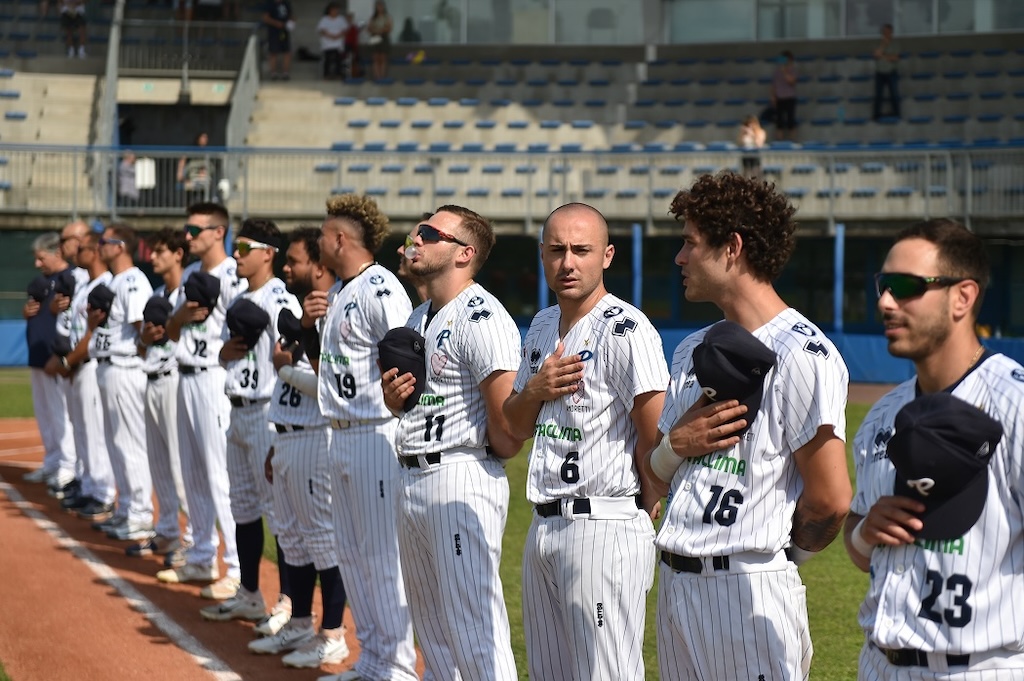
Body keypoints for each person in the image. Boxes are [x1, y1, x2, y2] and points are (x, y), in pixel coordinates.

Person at [644, 172, 852, 680]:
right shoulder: (691, 348)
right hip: (675, 582)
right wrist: (676, 445)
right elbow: (653, 474)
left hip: (748, 590)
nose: (680, 257)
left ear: (731, 248)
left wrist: (778, 560)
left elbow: (831, 498)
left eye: (691, 243)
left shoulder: (805, 353)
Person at [845, 219, 1024, 679]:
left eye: (905, 287)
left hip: (981, 667)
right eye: (883, 285)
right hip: (879, 663)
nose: (885, 302)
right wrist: (866, 532)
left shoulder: (1015, 406)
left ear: (962, 296)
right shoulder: (883, 416)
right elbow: (858, 542)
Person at [503, 203, 668, 680]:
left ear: (608, 255)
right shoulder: (539, 325)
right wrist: (535, 388)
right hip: (544, 524)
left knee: (607, 673)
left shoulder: (628, 328)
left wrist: (643, 501)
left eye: (581, 250)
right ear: (542, 255)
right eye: (556, 250)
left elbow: (653, 436)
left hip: (603, 523)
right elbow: (513, 424)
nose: (568, 262)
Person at [381, 205, 523, 681]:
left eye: (428, 233)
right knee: (435, 631)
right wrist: (395, 401)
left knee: (474, 628)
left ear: (464, 253)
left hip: (460, 475)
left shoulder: (482, 316)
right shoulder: (420, 314)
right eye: (416, 230)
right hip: (414, 473)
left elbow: (506, 427)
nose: (414, 239)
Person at [301, 195, 417, 681]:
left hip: (375, 433)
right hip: (341, 433)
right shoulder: (345, 290)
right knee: (351, 553)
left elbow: (407, 353)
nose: (319, 241)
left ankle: (398, 667)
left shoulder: (380, 287)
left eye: (325, 234)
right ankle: (372, 658)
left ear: (342, 239)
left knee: (379, 557)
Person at [198, 220, 300, 641]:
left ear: (267, 253)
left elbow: (293, 354)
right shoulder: (239, 297)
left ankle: (290, 603)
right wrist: (226, 350)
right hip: (236, 409)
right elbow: (222, 352)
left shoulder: (282, 299)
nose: (236, 253)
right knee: (243, 507)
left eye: (243, 246)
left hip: (265, 413)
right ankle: (251, 591)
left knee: (279, 514)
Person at [247, 227, 342, 656]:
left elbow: (332, 386)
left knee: (322, 540)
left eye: (296, 261)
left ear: (318, 266)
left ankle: (333, 635)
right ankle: (300, 623)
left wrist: (285, 370)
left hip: (315, 437)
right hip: (286, 432)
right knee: (290, 537)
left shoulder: (335, 312)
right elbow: (282, 361)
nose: (288, 268)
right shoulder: (304, 314)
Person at [158, 202, 247, 601]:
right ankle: (201, 555)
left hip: (214, 378)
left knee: (218, 473)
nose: (189, 236)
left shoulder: (235, 274)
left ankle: (237, 568)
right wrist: (180, 318)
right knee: (192, 469)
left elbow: (245, 333)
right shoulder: (193, 274)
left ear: (218, 232)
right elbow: (173, 330)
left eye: (195, 230)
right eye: (187, 229)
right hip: (185, 372)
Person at [127, 227, 192, 568]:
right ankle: (167, 529)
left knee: (182, 466)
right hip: (150, 377)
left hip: (175, 380)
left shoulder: (189, 293)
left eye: (160, 251)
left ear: (179, 254)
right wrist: (146, 339)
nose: (153, 257)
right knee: (159, 465)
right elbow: (142, 346)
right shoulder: (157, 293)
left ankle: (193, 540)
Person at [89, 224, 155, 543]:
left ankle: (141, 514)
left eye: (104, 241)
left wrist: (138, 354)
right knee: (116, 442)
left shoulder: (133, 280)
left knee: (130, 443)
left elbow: (142, 328)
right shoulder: (115, 280)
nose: (99, 246)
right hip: (108, 366)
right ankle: (126, 507)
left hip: (125, 366)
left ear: (120, 247)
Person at [46, 229, 116, 523]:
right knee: (82, 429)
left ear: (97, 251)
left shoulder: (106, 284)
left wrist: (67, 361)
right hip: (77, 366)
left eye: (85, 248)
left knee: (95, 431)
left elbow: (95, 332)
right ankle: (89, 485)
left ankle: (102, 492)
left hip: (90, 364)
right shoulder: (86, 284)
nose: (78, 253)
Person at [23, 233, 77, 496]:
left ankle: (68, 466)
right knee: (44, 414)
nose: (37, 264)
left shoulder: (71, 278)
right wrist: (26, 313)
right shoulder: (40, 283)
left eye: (41, 258)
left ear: (57, 253)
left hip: (56, 358)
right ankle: (52, 461)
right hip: (37, 357)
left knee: (61, 414)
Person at [176, 133, 213, 207]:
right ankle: (188, 207)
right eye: (203, 138)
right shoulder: (191, 150)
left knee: (204, 189)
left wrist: (204, 172)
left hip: (203, 178)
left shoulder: (207, 152)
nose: (205, 140)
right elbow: (183, 160)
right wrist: (180, 173)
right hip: (192, 177)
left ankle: (204, 207)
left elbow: (210, 166)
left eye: (206, 138)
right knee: (190, 190)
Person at [873, 23, 900, 120]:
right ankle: (876, 115)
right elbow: (876, 55)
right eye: (884, 32)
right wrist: (883, 45)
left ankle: (897, 113)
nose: (886, 34)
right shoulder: (878, 43)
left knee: (894, 94)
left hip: (891, 72)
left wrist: (883, 56)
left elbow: (895, 58)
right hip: (879, 72)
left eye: (888, 32)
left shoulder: (895, 44)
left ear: (891, 33)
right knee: (878, 95)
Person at [263, 0, 295, 80]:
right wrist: (276, 23)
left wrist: (291, 22)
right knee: (273, 52)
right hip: (274, 32)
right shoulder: (269, 4)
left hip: (284, 31)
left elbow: (290, 16)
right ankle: (273, 73)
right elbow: (266, 18)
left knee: (287, 52)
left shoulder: (286, 3)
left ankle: (285, 73)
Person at [770, 50, 798, 142]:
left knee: (791, 120)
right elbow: (774, 85)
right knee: (779, 121)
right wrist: (773, 96)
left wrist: (785, 72)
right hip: (779, 98)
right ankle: (779, 139)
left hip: (789, 98)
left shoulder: (793, 70)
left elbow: (792, 82)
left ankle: (792, 139)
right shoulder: (777, 72)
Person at [317, 2, 347, 80]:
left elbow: (345, 30)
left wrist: (338, 35)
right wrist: (330, 35)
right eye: (333, 10)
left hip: (338, 43)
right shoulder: (324, 19)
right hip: (327, 43)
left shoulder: (341, 19)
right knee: (328, 59)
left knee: (338, 60)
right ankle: (326, 75)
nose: (335, 11)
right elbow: (321, 30)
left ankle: (338, 74)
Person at [366, 0, 392, 81]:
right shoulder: (373, 18)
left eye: (381, 6)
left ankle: (382, 76)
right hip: (374, 37)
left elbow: (389, 28)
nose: (379, 8)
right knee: (375, 58)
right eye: (378, 6)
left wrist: (380, 30)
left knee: (383, 58)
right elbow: (369, 28)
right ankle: (377, 76)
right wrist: (375, 31)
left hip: (383, 37)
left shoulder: (387, 17)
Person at [342, 11, 362, 79]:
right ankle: (347, 74)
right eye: (348, 18)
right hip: (346, 45)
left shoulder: (354, 27)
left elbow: (355, 37)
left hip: (354, 45)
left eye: (350, 18)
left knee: (355, 60)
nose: (349, 19)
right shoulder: (343, 27)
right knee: (347, 60)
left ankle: (356, 74)